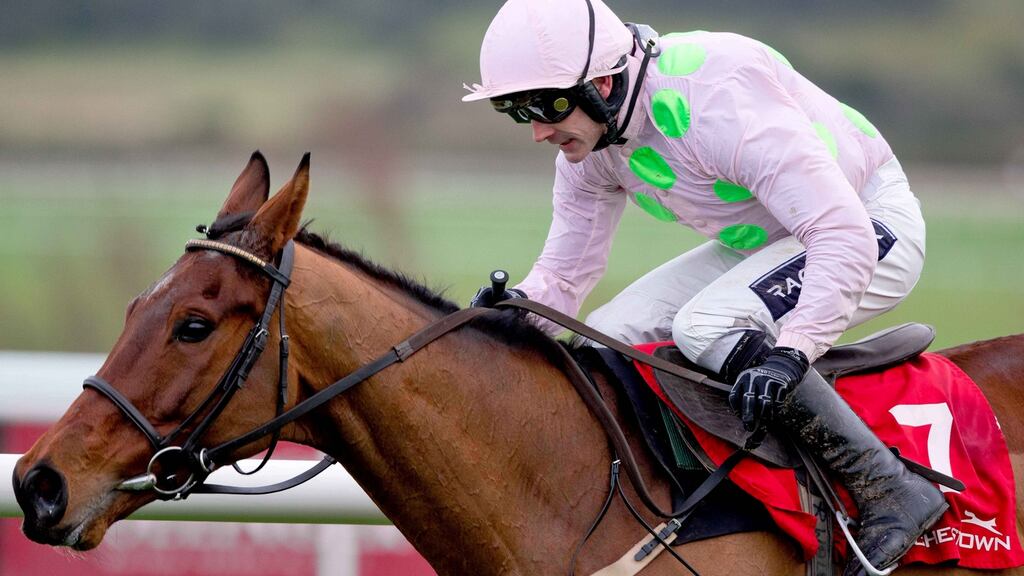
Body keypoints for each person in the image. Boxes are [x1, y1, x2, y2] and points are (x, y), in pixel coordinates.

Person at [462, 0, 947, 574]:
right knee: (602, 340)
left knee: (707, 325)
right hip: (774, 237)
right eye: (516, 110)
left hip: (865, 223)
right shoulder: (591, 146)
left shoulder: (717, 102)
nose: (539, 131)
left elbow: (838, 231)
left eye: (547, 106)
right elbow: (564, 278)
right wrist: (510, 315)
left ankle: (888, 486)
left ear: (603, 82)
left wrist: (795, 349)